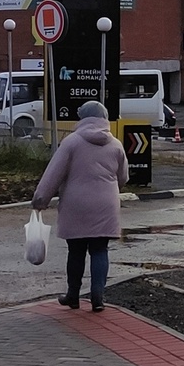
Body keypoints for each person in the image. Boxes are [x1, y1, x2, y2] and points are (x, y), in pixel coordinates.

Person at [33, 100, 128, 312]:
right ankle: (98, 296)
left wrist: (40, 200)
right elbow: (123, 177)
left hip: (76, 205)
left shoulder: (72, 142)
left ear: (83, 118)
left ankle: (73, 296)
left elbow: (53, 175)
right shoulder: (116, 144)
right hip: (106, 205)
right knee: (100, 250)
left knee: (76, 251)